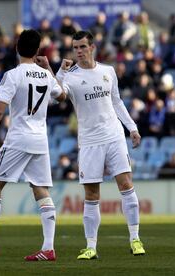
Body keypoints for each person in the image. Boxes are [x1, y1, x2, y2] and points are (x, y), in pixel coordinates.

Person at [0, 29, 65, 261]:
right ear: (38, 51)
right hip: (40, 140)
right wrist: (49, 68)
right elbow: (63, 95)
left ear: (17, 47)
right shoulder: (46, 75)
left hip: (18, 138)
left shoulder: (12, 75)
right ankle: (48, 248)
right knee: (41, 190)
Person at [56, 31, 145, 260]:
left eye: (83, 46)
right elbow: (55, 96)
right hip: (89, 142)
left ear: (92, 47)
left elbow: (116, 101)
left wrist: (132, 127)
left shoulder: (108, 71)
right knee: (92, 194)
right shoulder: (71, 76)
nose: (79, 51)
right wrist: (60, 71)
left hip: (114, 136)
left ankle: (135, 239)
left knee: (126, 184)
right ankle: (91, 247)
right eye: (75, 47)